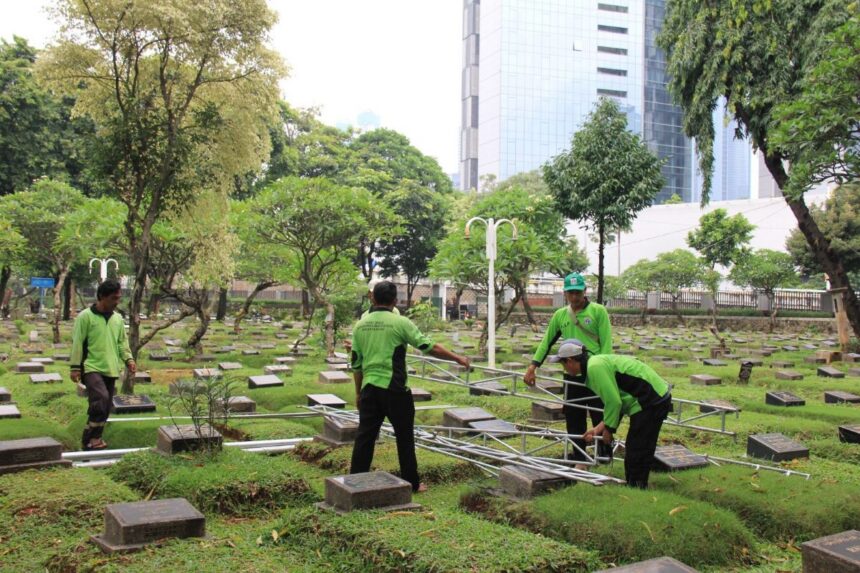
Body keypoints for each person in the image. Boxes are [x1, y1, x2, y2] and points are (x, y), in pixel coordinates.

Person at [349, 280, 470, 492]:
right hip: (395, 390)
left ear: (373, 299)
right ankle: (412, 483)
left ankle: (355, 482)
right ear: (395, 300)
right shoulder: (400, 322)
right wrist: (457, 358)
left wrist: (358, 393)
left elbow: (356, 365)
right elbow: (429, 347)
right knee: (404, 437)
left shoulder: (360, 325)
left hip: (369, 388)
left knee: (365, 437)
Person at [549, 339, 672, 488]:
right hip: (649, 398)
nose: (564, 369)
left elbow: (614, 402)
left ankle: (637, 487)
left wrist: (609, 430)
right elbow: (615, 402)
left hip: (650, 399)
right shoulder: (594, 365)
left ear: (570, 361)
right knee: (639, 446)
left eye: (562, 364)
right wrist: (598, 429)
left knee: (637, 448)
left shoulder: (595, 368)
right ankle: (637, 486)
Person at [523, 272, 613, 463]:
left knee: (600, 414)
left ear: (585, 291)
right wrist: (533, 365)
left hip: (596, 374)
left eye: (577, 292)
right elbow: (547, 342)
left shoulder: (598, 311)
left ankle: (604, 456)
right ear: (564, 293)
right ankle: (580, 457)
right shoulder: (560, 315)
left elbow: (606, 344)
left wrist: (606, 369)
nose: (574, 297)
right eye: (570, 293)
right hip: (572, 375)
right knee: (574, 417)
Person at [69, 280, 136, 450]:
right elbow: (78, 342)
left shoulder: (118, 319)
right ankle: (94, 439)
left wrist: (129, 359)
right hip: (91, 366)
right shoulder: (85, 316)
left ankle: (89, 438)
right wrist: (75, 367)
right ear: (102, 297)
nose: (117, 302)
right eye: (114, 298)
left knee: (104, 407)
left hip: (111, 367)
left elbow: (122, 342)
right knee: (100, 399)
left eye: (119, 298)